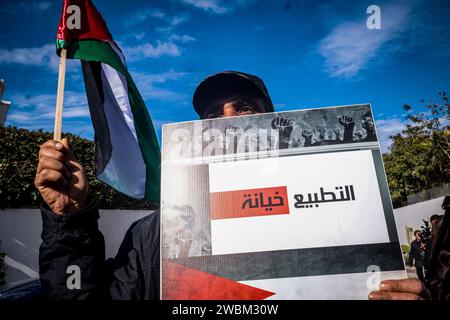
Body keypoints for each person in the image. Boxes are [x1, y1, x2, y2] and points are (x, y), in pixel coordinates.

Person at [36, 70, 448, 300]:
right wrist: (68, 221)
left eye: (245, 108)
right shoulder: (153, 237)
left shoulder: (338, 215)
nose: (229, 121)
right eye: (213, 114)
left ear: (275, 124)